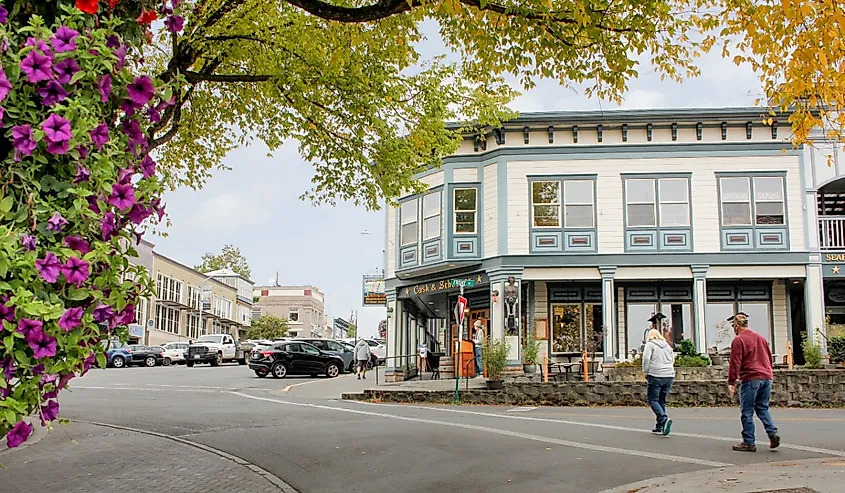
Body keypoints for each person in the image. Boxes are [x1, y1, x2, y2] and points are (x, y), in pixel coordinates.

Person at [727, 312, 780, 452]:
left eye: (733, 325)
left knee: (747, 410)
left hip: (751, 377)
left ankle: (749, 441)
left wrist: (731, 381)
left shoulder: (739, 340)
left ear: (737, 325)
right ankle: (772, 432)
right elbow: (769, 358)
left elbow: (735, 362)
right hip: (766, 376)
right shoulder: (761, 338)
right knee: (762, 407)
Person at [642, 328, 675, 436]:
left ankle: (663, 418)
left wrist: (645, 371)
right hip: (669, 375)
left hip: (656, 374)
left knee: (653, 400)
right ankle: (660, 427)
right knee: (662, 401)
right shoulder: (667, 345)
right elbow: (672, 359)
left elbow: (646, 359)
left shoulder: (650, 345)